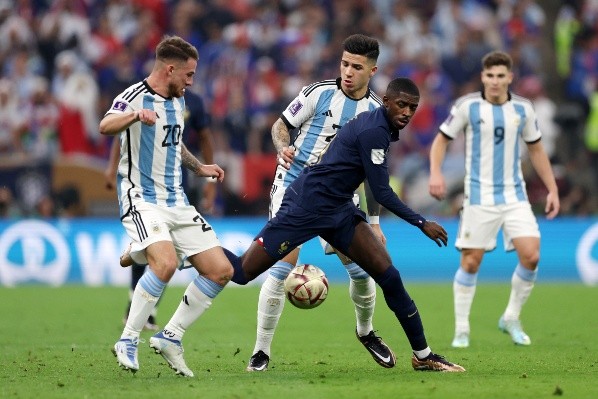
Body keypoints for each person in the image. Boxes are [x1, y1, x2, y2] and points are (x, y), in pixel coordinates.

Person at [157, 77, 465, 373]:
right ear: (386, 102)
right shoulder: (372, 130)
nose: (407, 113)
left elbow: (374, 186)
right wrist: (422, 222)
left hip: (340, 211)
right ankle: (188, 248)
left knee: (389, 276)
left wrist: (372, 221)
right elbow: (383, 190)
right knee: (241, 272)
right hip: (305, 207)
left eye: (413, 107)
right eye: (402, 105)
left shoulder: (380, 127)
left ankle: (422, 355)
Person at [246, 33, 393, 371]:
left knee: (361, 267)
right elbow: (281, 126)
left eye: (357, 66)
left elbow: (374, 173)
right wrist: (282, 146)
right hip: (294, 184)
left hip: (339, 194)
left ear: (372, 70)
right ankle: (261, 351)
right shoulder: (317, 93)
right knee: (284, 259)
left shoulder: (374, 113)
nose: (348, 72)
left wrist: (374, 223)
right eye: (344, 64)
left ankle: (366, 332)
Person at [99, 35, 232, 377]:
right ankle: (128, 339)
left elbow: (173, 145)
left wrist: (199, 167)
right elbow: (105, 125)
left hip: (177, 200)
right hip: (142, 198)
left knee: (220, 271)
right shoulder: (133, 97)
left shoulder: (177, 100)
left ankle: (171, 336)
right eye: (188, 75)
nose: (191, 82)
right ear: (170, 69)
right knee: (166, 264)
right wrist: (132, 117)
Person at [428, 50, 560, 348]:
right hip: (479, 197)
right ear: (483, 77)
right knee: (471, 262)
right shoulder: (467, 107)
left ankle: (511, 317)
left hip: (515, 195)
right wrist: (435, 172)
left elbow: (537, 150)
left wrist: (551, 188)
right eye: (490, 75)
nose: (495, 81)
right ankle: (462, 328)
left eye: (501, 76)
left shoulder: (524, 110)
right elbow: (440, 140)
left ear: (510, 77)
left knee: (532, 255)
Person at [104, 88, 216, 332]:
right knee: (160, 253)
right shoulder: (140, 97)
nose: (190, 80)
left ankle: (148, 310)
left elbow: (204, 139)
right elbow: (118, 134)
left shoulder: (191, 102)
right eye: (188, 73)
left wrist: (207, 179)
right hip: (145, 186)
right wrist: (112, 168)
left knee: (168, 253)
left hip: (177, 186)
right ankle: (136, 309)